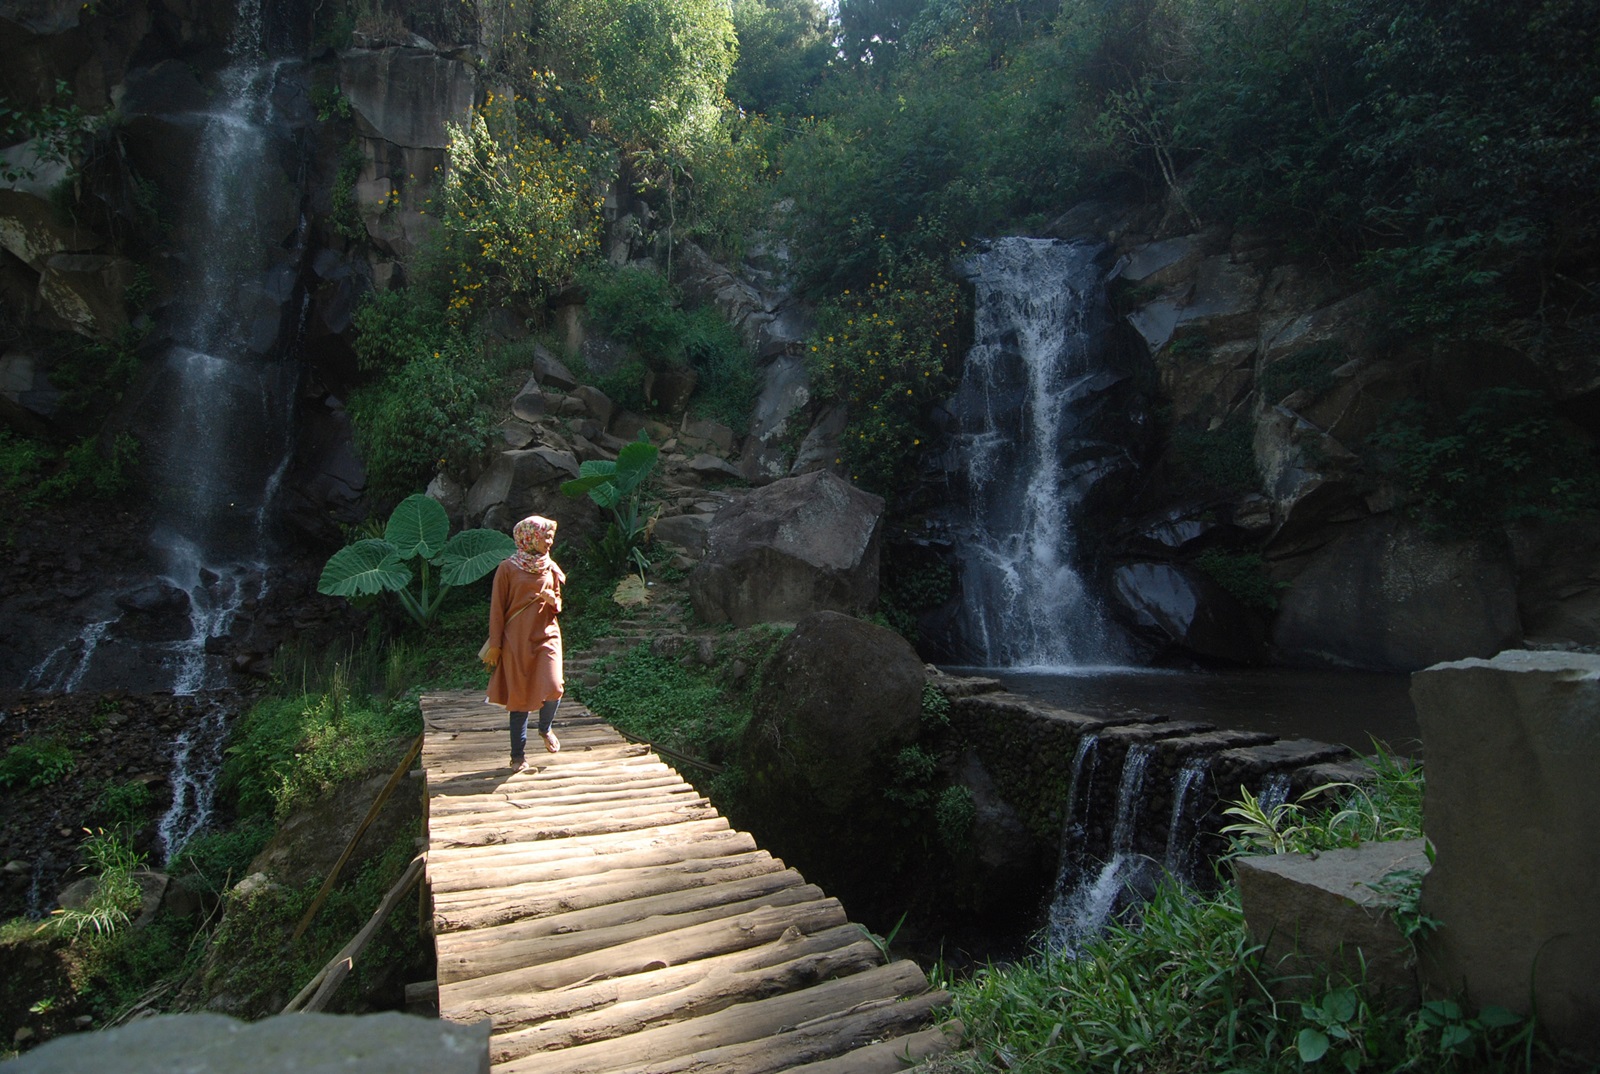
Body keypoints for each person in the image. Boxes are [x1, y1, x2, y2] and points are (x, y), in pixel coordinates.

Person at [482, 514, 565, 770]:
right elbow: (497, 610)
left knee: (554, 685)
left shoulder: (550, 566)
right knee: (518, 696)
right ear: (530, 538)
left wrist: (553, 600)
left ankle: (545, 727)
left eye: (551, 537)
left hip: (547, 634)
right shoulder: (507, 568)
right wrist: (495, 645)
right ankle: (518, 756)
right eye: (545, 537)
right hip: (516, 640)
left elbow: (559, 603)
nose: (549, 542)